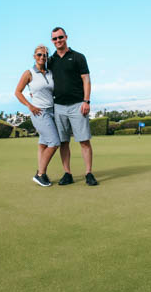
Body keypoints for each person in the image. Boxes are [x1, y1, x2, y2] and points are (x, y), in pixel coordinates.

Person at [48, 27, 98, 186]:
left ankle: (88, 173)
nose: (58, 41)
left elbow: (86, 80)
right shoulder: (51, 61)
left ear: (66, 37)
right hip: (59, 107)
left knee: (84, 141)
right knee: (63, 142)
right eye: (55, 39)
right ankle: (67, 173)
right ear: (52, 41)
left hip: (78, 105)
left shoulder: (78, 57)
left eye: (60, 37)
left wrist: (86, 101)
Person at [15, 44, 60, 187]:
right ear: (34, 56)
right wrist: (30, 105)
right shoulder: (29, 73)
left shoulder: (50, 73)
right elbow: (17, 92)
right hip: (39, 112)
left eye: (45, 55)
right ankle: (40, 174)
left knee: (43, 144)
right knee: (54, 142)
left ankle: (42, 173)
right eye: (39, 54)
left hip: (52, 111)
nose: (42, 57)